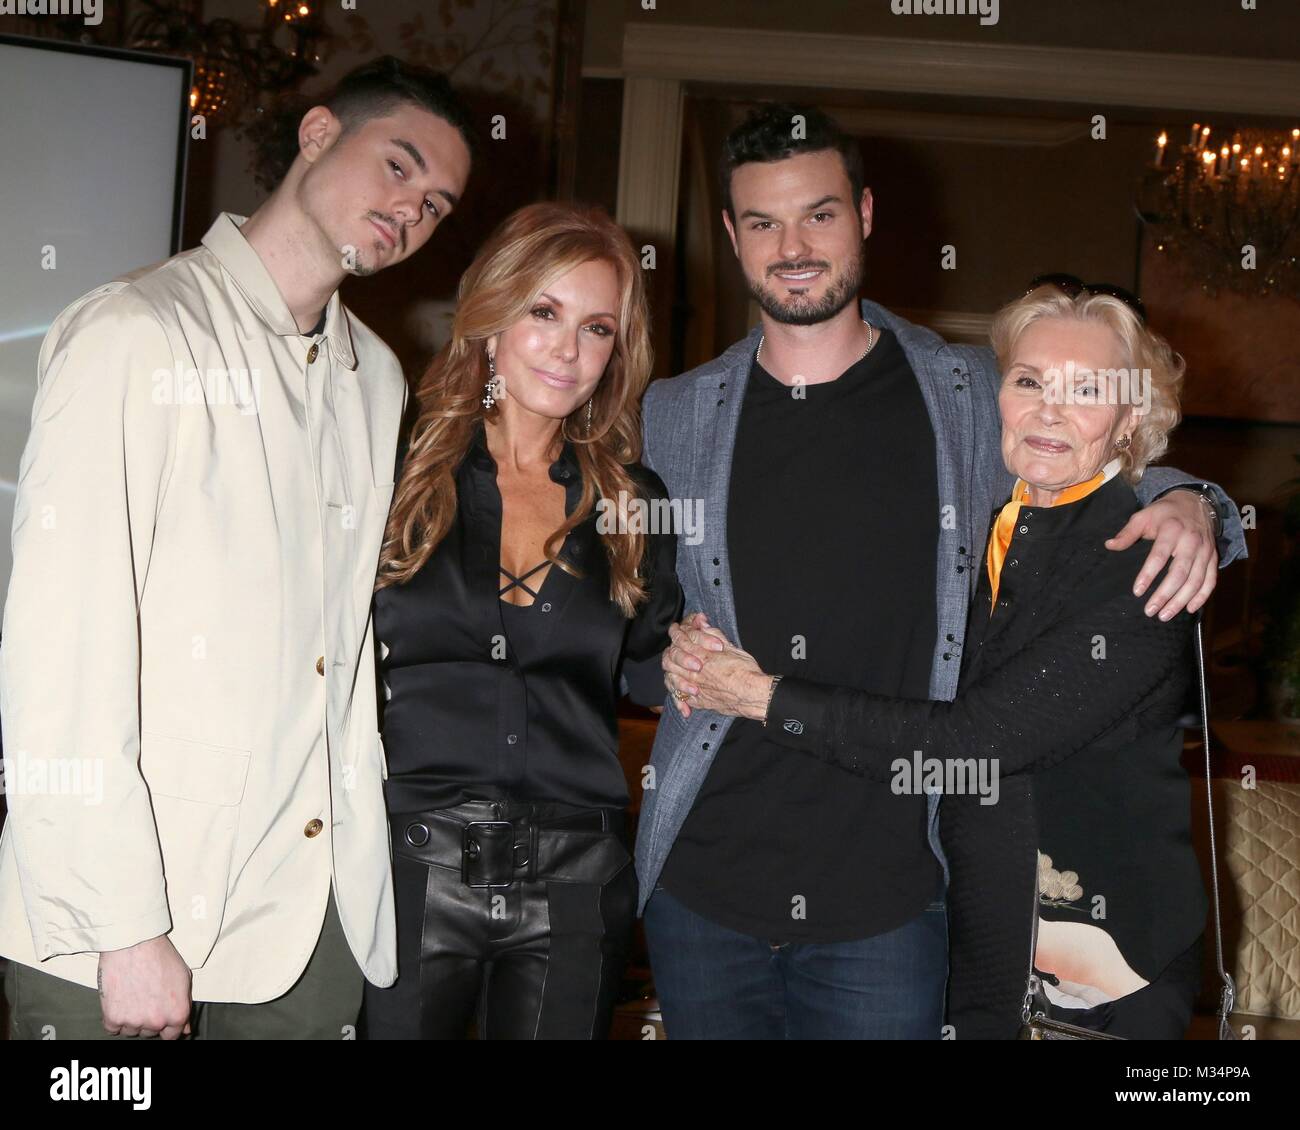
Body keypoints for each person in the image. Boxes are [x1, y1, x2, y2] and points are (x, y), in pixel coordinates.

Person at [634, 102, 1245, 1040]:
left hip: (898, 892)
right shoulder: (676, 413)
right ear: (731, 234)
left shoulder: (960, 392)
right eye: (763, 222)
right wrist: (665, 653)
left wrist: (1195, 504)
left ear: (866, 215)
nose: (792, 245)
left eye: (821, 214)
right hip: (703, 884)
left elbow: (1086, 456)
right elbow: (631, 618)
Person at [0, 56, 474, 1040]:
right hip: (126, 920)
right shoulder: (135, 333)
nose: (412, 210)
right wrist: (122, 926)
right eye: (398, 166)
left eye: (435, 203)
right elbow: (62, 654)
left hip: (307, 924)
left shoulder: (377, 378)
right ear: (314, 135)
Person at [361, 202, 681, 1040]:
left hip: (576, 877)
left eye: (599, 327)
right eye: (545, 312)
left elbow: (657, 666)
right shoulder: (392, 467)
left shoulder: (631, 502)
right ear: (492, 316)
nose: (570, 349)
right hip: (410, 867)